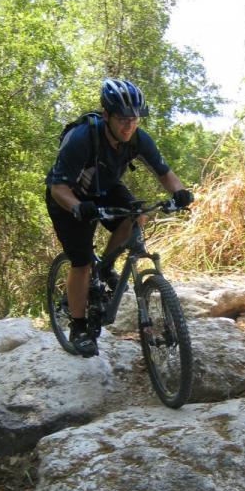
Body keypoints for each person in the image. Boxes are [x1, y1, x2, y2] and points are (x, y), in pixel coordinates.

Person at [45, 78, 193, 357]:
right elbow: (58, 188)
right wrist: (77, 207)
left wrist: (180, 193)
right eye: (123, 119)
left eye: (134, 119)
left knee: (137, 215)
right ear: (106, 116)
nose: (129, 125)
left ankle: (106, 267)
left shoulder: (138, 138)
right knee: (81, 261)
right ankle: (78, 327)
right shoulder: (81, 138)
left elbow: (164, 172)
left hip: (105, 188)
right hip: (68, 197)